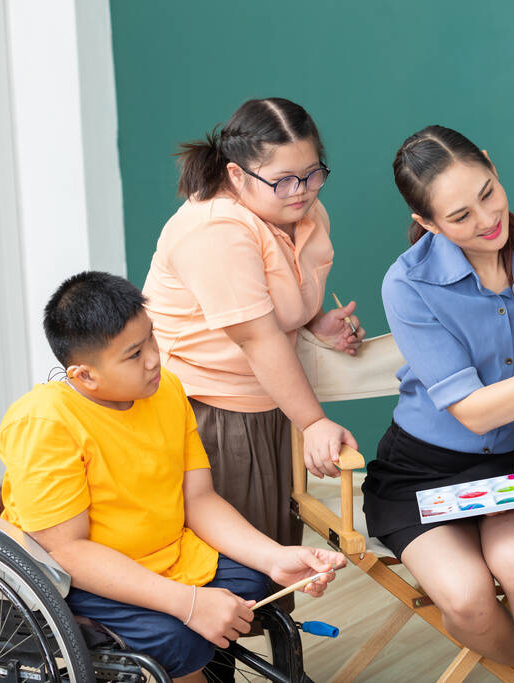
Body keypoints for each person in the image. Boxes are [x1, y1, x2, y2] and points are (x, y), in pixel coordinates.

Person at [0, 272, 346, 681]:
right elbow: (68, 552)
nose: (153, 359)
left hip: (167, 556)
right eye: (133, 354)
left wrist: (276, 557)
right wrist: (189, 604)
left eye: (151, 339)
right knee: (178, 638)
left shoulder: (167, 390)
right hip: (83, 580)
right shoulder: (44, 421)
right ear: (84, 375)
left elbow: (199, 499)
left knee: (255, 579)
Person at [362, 125, 514, 680]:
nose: (487, 219)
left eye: (487, 193)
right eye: (459, 216)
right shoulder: (407, 284)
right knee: (468, 598)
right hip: (421, 472)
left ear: (492, 167)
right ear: (426, 223)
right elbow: (473, 410)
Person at [142, 99, 363, 593]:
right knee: (230, 574)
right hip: (211, 413)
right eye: (284, 179)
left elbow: (276, 304)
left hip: (267, 400)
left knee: (275, 560)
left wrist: (315, 324)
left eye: (313, 174)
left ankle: (275, 661)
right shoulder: (216, 230)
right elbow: (256, 337)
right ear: (237, 175)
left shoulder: (299, 210)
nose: (302, 191)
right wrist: (314, 421)